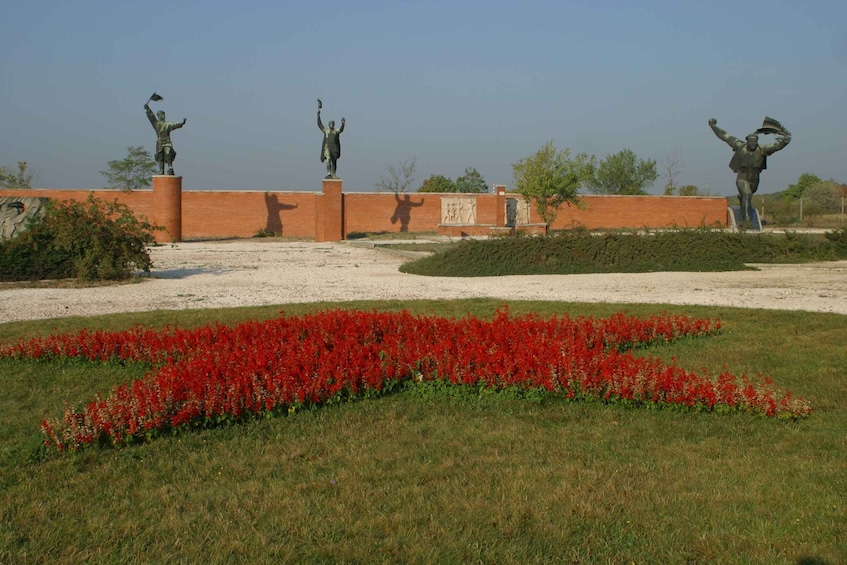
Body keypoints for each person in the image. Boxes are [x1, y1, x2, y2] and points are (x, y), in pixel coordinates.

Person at [708, 118, 790, 224]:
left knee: (748, 195)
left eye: (754, 142)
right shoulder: (739, 146)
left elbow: (776, 146)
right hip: (742, 178)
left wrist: (785, 140)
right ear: (747, 141)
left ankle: (741, 198)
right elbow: (724, 136)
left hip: (755, 179)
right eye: (751, 141)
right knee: (747, 194)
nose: (753, 143)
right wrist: (713, 126)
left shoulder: (762, 150)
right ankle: (747, 221)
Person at [145, 101, 187, 175]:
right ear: (158, 116)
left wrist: (182, 123)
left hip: (167, 142)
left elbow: (175, 125)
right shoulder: (156, 124)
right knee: (160, 156)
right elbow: (151, 116)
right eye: (160, 115)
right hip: (160, 142)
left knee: (168, 154)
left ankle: (170, 168)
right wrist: (148, 109)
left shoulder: (167, 124)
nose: (162, 116)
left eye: (163, 115)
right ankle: (161, 170)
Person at [317, 98, 345, 178]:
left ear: (334, 124)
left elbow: (341, 129)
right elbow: (319, 125)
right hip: (327, 148)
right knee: (328, 159)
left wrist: (343, 124)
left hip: (334, 149)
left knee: (334, 162)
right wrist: (318, 115)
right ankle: (329, 173)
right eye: (330, 124)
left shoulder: (336, 131)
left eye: (332, 124)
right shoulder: (326, 131)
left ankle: (334, 174)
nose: (331, 125)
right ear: (329, 124)